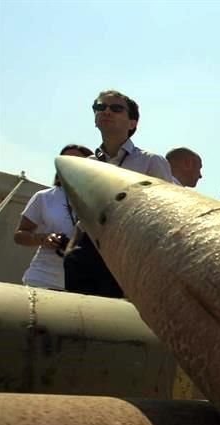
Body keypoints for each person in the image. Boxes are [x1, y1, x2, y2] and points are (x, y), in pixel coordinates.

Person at [64, 89, 175, 298]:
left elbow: (165, 213)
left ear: (132, 123)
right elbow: (82, 217)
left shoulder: (151, 162)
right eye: (100, 107)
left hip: (130, 251)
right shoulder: (88, 165)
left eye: (116, 108)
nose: (106, 111)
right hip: (87, 251)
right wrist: (72, 250)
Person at [14, 144, 94, 290]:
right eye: (63, 160)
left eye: (75, 161)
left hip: (81, 283)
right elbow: (19, 235)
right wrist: (44, 239)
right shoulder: (44, 197)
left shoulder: (98, 201)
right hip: (42, 279)